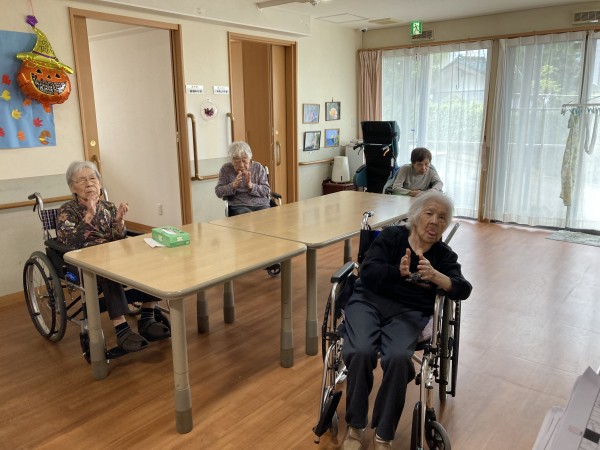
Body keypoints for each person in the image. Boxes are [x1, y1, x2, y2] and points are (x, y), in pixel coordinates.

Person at [341, 191, 472, 450]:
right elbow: (367, 271)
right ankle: (355, 425)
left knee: (399, 358)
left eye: (442, 217)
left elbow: (463, 288)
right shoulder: (392, 237)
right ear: (415, 215)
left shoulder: (443, 256)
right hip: (368, 301)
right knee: (360, 351)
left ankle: (384, 434)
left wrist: (437, 277)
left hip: (408, 312)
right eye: (429, 213)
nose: (434, 221)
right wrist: (396, 272)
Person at [56, 161, 170, 353]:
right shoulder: (67, 211)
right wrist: (89, 215)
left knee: (152, 259)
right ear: (72, 187)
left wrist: (119, 221)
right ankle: (122, 328)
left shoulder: (108, 206)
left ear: (100, 183)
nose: (89, 183)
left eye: (93, 178)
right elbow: (71, 243)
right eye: (82, 180)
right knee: (107, 270)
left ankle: (147, 316)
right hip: (84, 260)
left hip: (114, 254)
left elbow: (118, 238)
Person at [215, 141, 271, 216]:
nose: (241, 165)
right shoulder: (226, 169)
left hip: (261, 204)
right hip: (238, 205)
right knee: (246, 217)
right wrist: (233, 185)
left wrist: (251, 186)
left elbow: (266, 190)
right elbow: (219, 192)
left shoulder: (258, 167)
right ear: (231, 160)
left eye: (244, 161)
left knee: (267, 216)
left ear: (249, 158)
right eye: (237, 161)